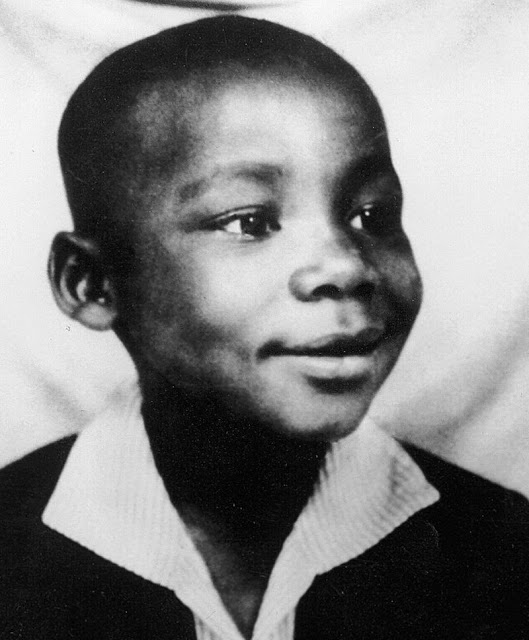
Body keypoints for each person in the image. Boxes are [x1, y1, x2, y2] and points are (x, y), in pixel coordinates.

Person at [0, 15, 528, 639]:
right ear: (91, 283)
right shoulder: (11, 552)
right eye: (249, 222)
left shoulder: (502, 550)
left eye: (369, 214)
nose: (346, 266)